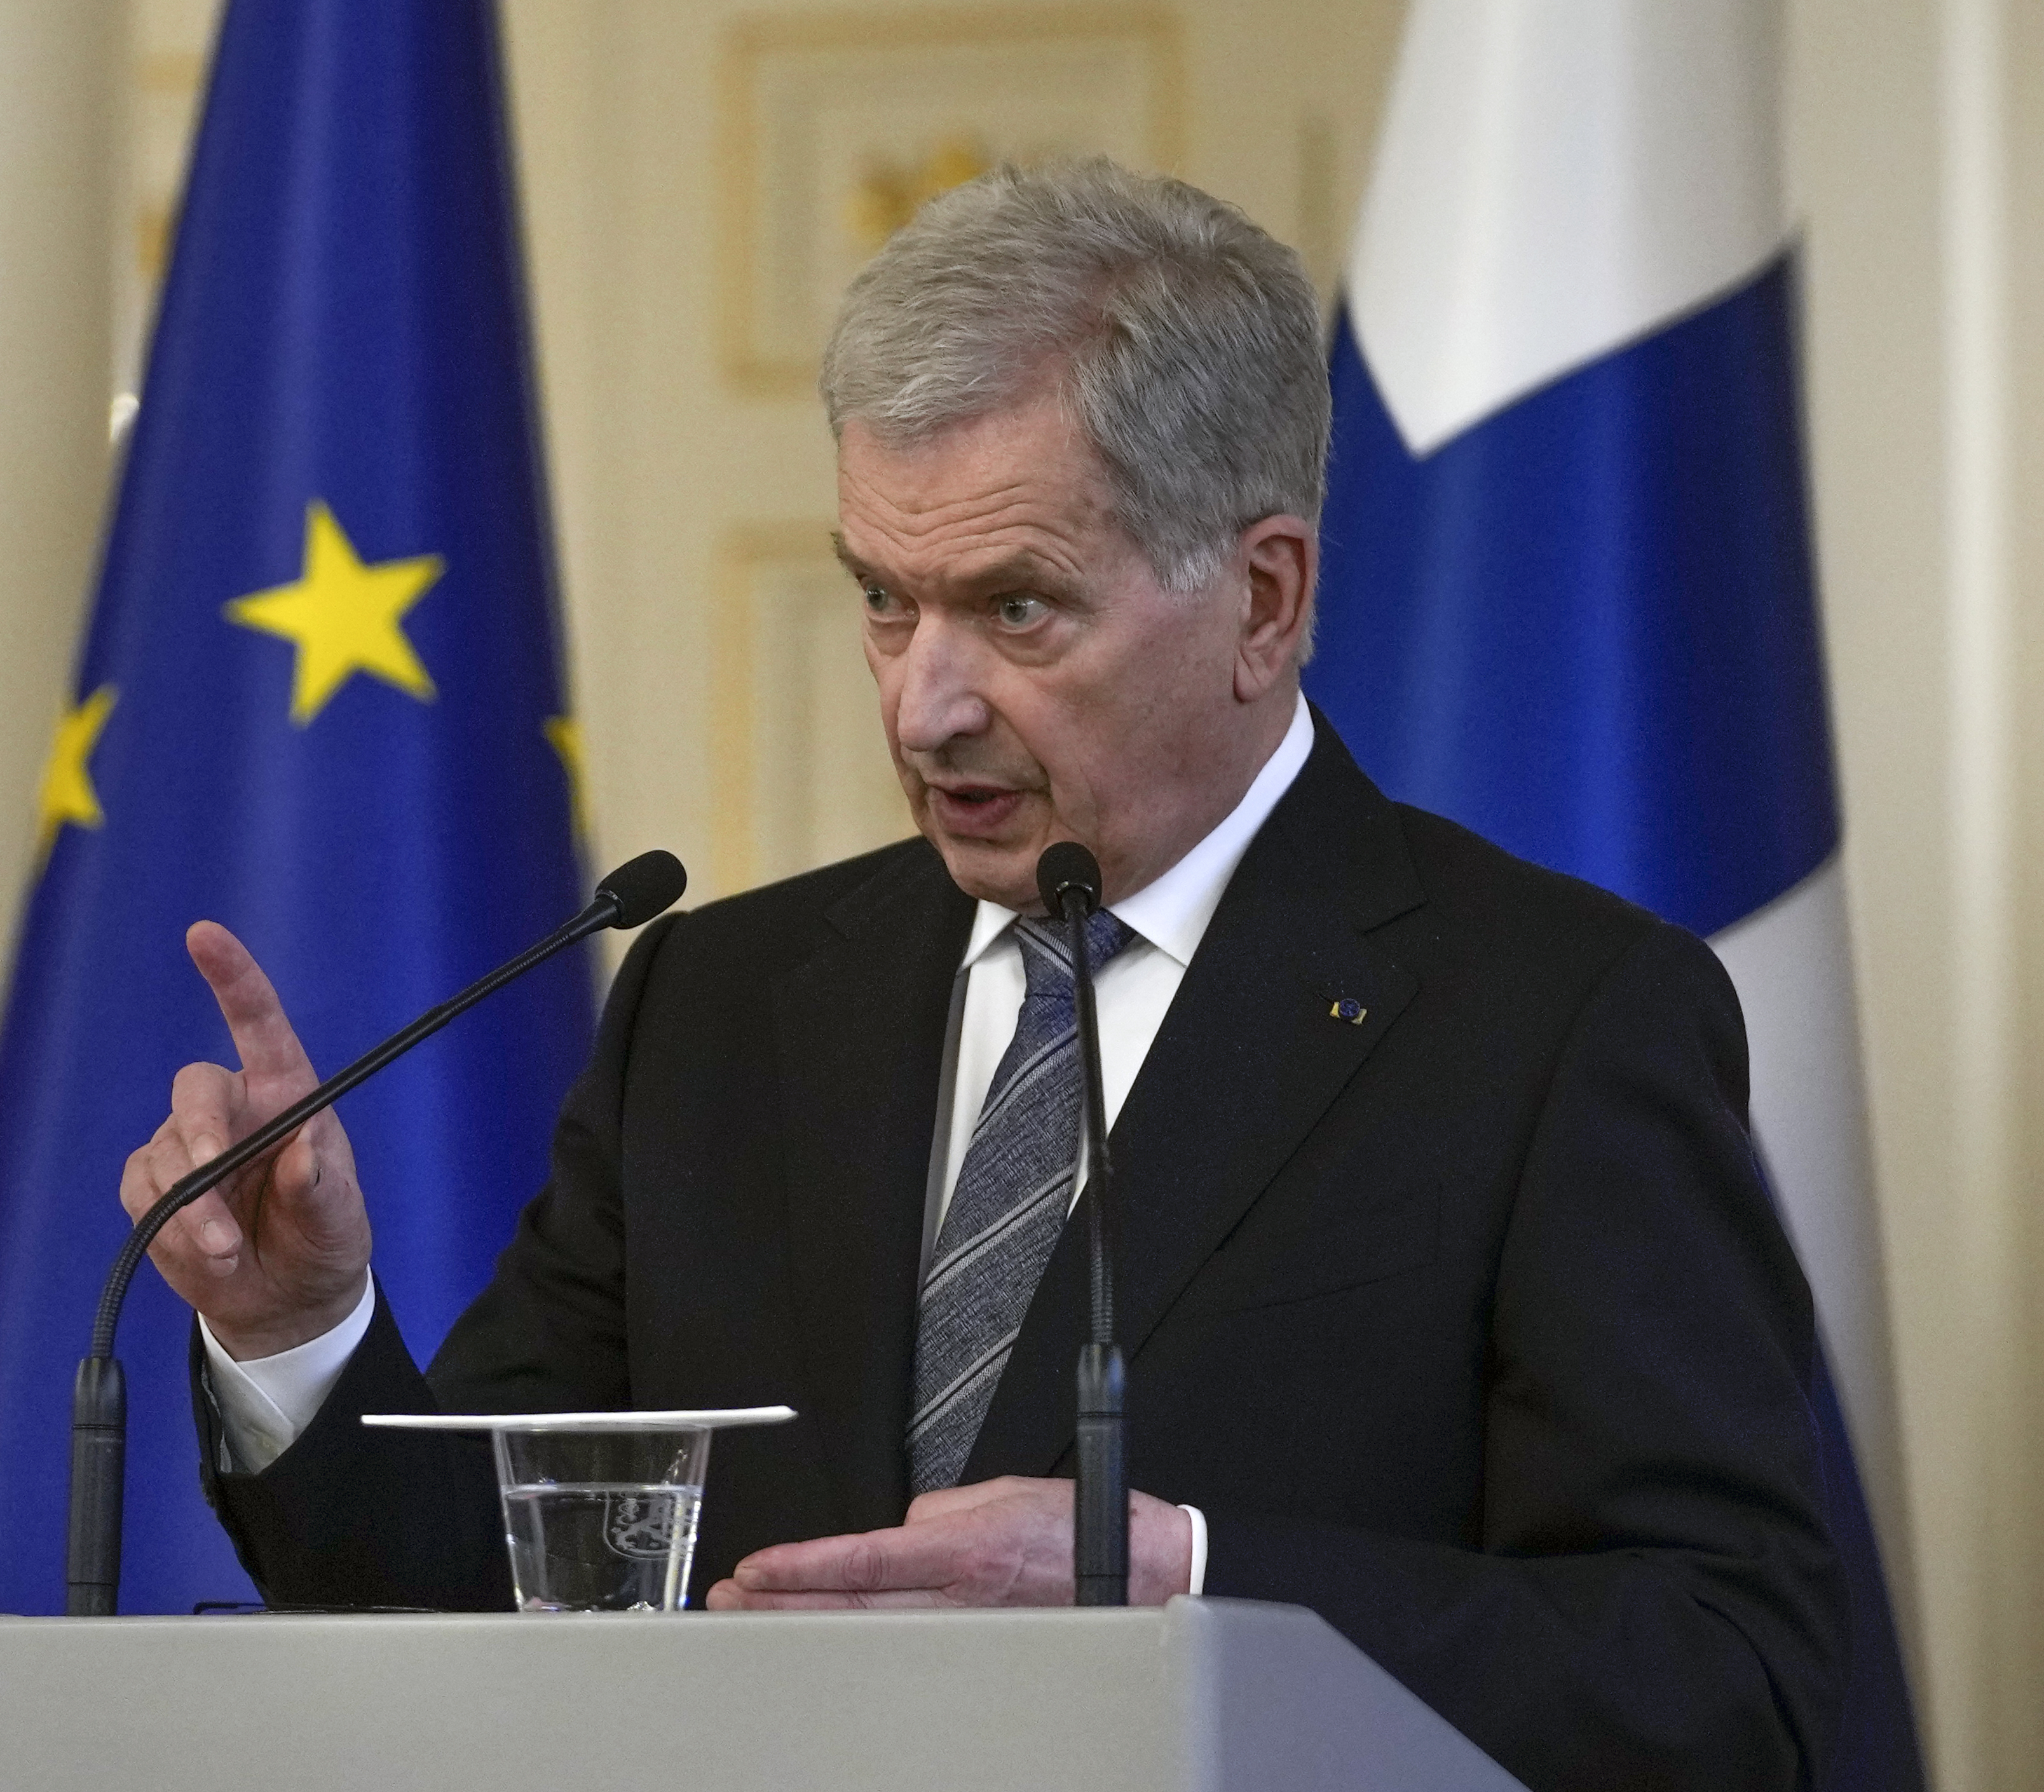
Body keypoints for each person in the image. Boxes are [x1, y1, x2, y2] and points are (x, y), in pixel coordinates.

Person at [119, 160, 1846, 1791]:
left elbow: (1731, 1673)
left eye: (1018, 610)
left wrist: (1192, 1581)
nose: (922, 705)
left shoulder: (1552, 1020)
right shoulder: (716, 1005)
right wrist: (298, 1333)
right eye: (886, 598)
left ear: (1263, 601)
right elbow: (472, 1597)